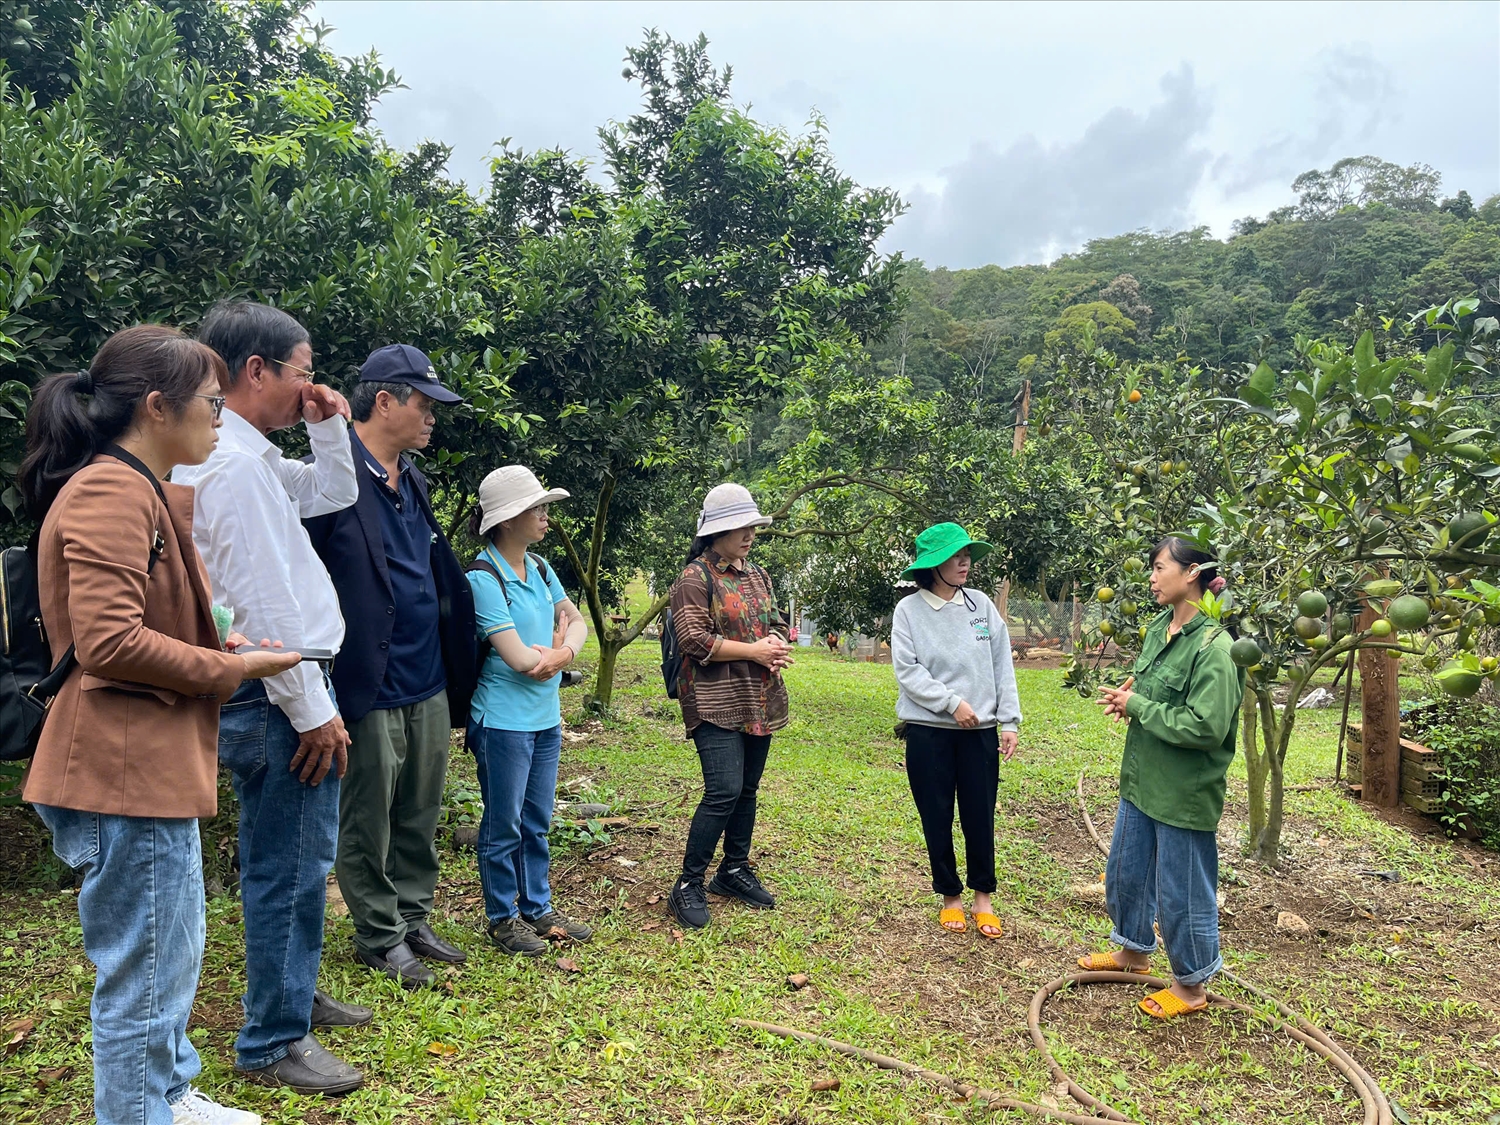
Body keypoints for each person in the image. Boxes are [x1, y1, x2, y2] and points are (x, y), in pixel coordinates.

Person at [19, 326, 303, 1125]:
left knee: (169, 953)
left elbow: (141, 619)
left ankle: (168, 1092)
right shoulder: (112, 489)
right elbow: (108, 641)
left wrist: (220, 640)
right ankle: (141, 1111)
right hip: (122, 767)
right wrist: (230, 670)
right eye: (213, 402)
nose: (221, 417)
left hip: (146, 763)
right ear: (156, 405)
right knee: (144, 970)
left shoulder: (139, 486)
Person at [174, 301, 368, 1095]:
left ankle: (294, 989)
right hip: (279, 689)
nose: (310, 385)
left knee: (291, 854)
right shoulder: (237, 466)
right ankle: (272, 1038)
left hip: (280, 682)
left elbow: (332, 492)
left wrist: (329, 423)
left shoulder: (243, 455)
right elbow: (257, 605)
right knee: (289, 863)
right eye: (305, 370)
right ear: (255, 371)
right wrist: (310, 703)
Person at [302, 344, 474, 989]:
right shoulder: (330, 475)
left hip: (425, 675)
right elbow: (303, 575)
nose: (433, 418)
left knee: (419, 808)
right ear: (385, 400)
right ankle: (378, 933)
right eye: (424, 404)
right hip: (365, 681)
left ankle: (413, 913)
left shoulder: (415, 480)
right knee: (368, 815)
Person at [1087, 537, 1245, 1020]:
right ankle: (1132, 951)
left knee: (1183, 891)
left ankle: (1191, 985)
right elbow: (1152, 682)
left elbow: (1205, 726)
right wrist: (1132, 692)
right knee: (1126, 871)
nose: (1151, 577)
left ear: (1192, 572)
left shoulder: (1216, 648)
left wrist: (1139, 705)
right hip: (1142, 778)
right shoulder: (1162, 626)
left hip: (1182, 791)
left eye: (1159, 568)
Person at [465, 465, 590, 955]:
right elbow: (518, 661)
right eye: (536, 508)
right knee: (503, 823)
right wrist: (555, 655)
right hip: (501, 721)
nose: (544, 516)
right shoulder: (485, 576)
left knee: (537, 818)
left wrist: (561, 655)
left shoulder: (538, 568)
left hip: (544, 717)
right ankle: (502, 916)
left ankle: (537, 907)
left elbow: (576, 622)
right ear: (508, 519)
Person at [666, 483, 794, 931]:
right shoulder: (694, 578)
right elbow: (693, 640)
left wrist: (775, 642)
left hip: (758, 698)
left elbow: (776, 621)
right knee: (723, 789)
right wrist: (753, 651)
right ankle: (688, 883)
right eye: (740, 526)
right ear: (714, 532)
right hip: (714, 700)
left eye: (753, 526)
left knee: (747, 789)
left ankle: (733, 870)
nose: (749, 533)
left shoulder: (758, 575)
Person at [890, 522, 1021, 939]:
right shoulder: (908, 611)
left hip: (979, 732)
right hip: (930, 732)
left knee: (979, 815)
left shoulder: (980, 606)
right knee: (937, 815)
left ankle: (983, 896)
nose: (965, 562)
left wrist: (1010, 720)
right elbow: (907, 671)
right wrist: (952, 703)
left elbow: (1002, 665)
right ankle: (950, 897)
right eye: (954, 555)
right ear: (932, 566)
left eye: (967, 554)